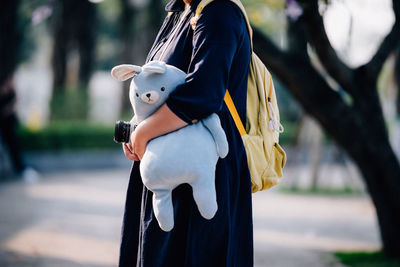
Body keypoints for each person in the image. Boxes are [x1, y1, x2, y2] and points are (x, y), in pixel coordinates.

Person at [119, 0, 253, 265]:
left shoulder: (219, 12)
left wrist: (144, 133)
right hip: (166, 169)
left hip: (203, 171)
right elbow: (158, 87)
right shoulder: (180, 12)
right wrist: (135, 127)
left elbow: (204, 92)